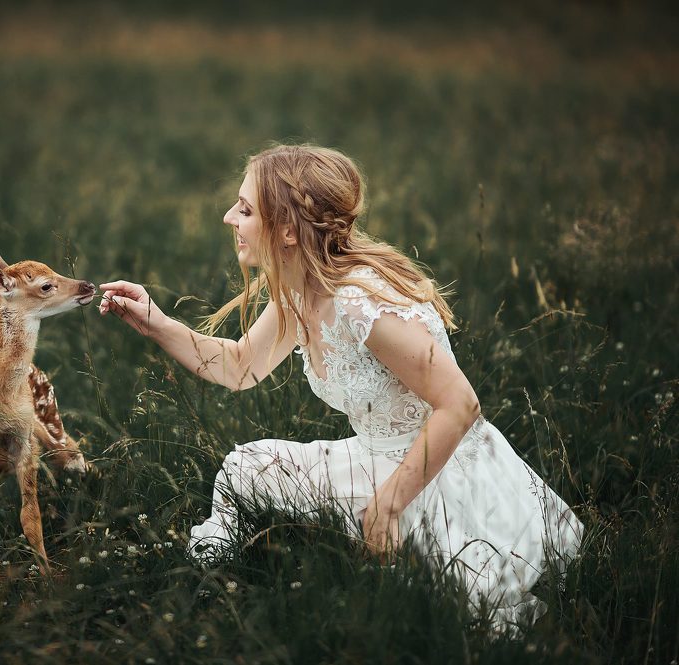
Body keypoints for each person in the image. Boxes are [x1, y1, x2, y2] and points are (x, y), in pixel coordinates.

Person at [98, 144, 584, 632]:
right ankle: (207, 584)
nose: (230, 218)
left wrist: (389, 504)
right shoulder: (299, 287)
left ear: (288, 229)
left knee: (443, 610)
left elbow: (461, 404)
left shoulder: (358, 303)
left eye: (245, 209)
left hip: (438, 473)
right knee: (246, 468)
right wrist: (156, 323)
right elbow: (240, 366)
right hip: (377, 457)